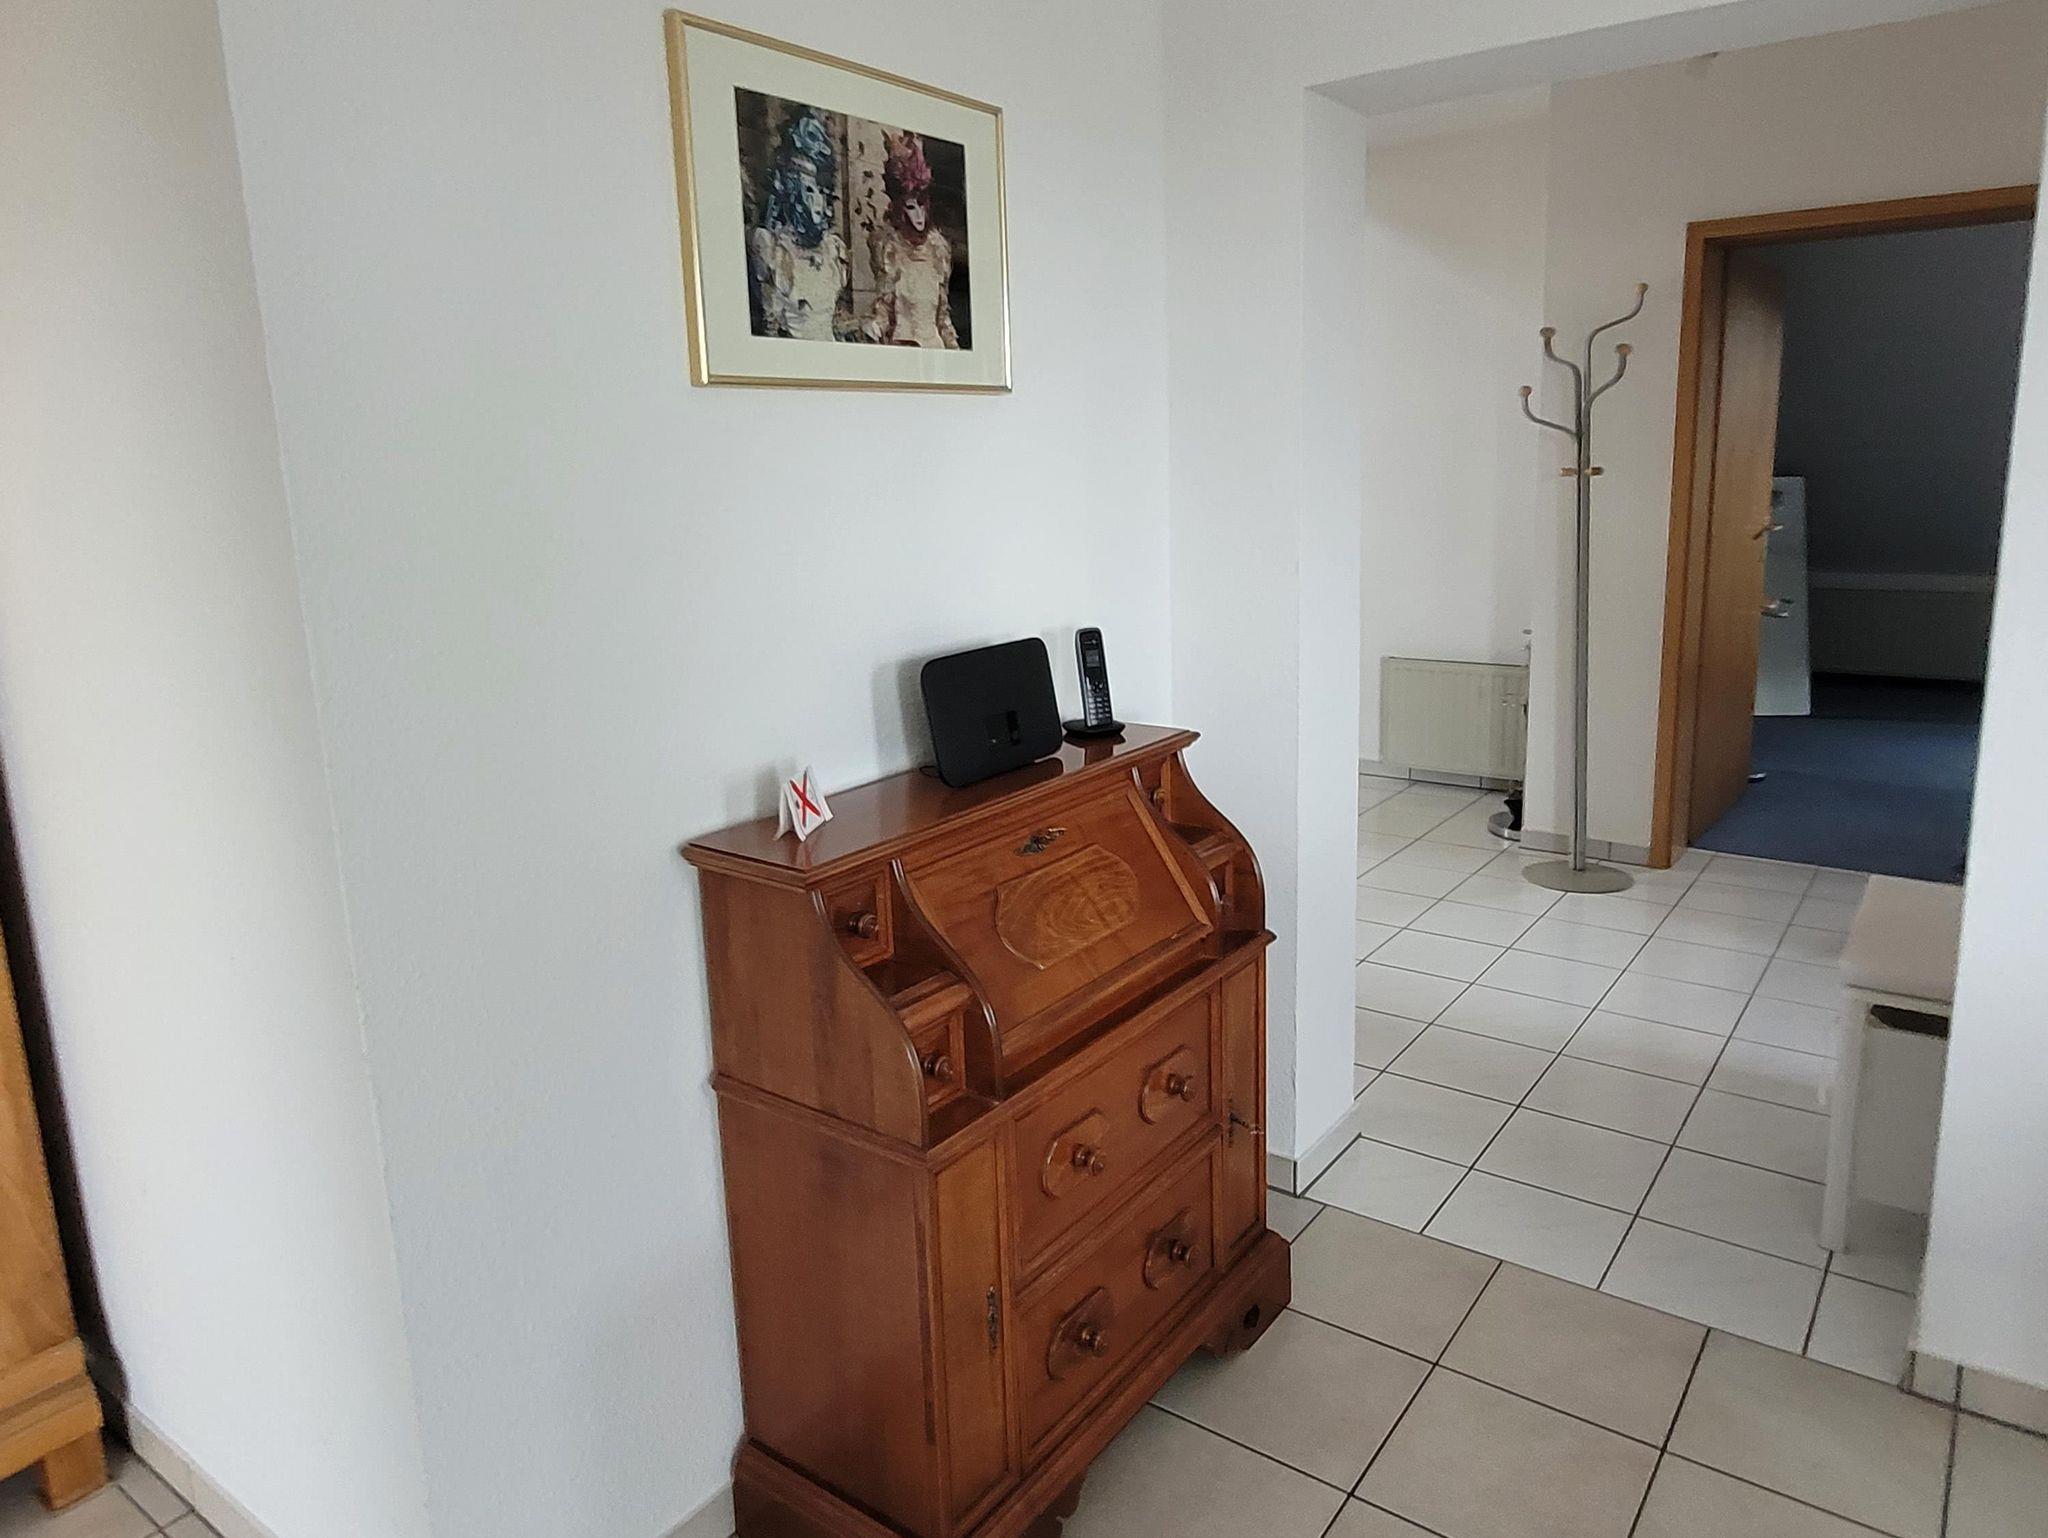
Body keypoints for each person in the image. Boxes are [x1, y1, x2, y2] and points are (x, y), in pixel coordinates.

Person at [747, 109, 851, 342]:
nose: (818, 202)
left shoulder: (833, 249)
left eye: (822, 192)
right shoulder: (772, 249)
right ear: (793, 190)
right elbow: (769, 330)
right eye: (809, 190)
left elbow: (833, 323)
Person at [861, 132, 959, 349]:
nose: (919, 215)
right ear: (901, 210)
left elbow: (942, 316)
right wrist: (874, 326)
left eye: (922, 205)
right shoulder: (890, 248)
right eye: (911, 207)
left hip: (934, 349)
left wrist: (956, 352)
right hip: (904, 348)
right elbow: (884, 308)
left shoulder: (937, 249)